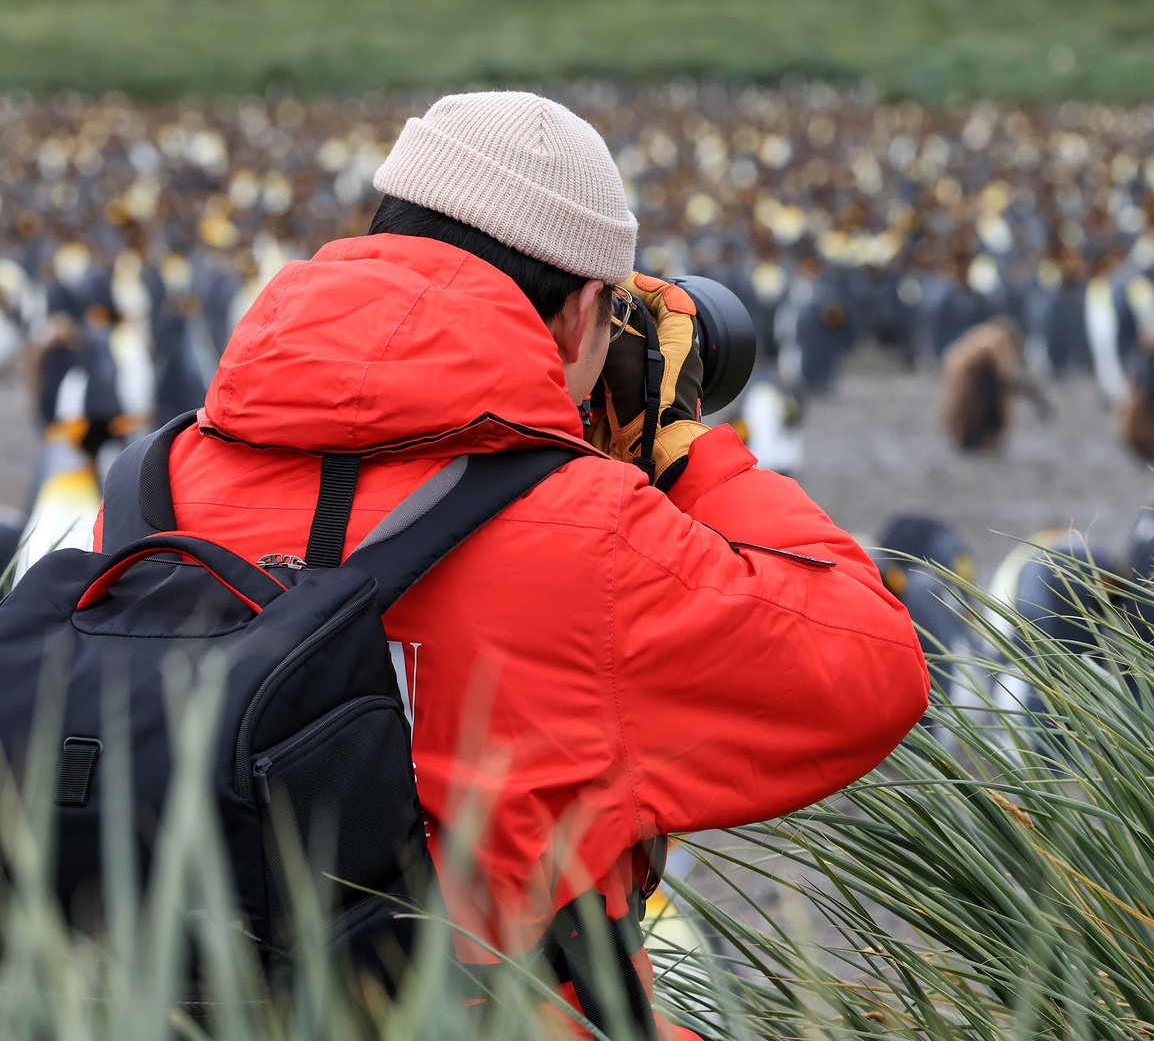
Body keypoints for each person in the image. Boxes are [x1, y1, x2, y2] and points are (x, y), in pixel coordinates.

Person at [95, 92, 930, 1033]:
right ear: (580, 316)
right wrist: (681, 447)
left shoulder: (151, 487)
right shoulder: (587, 535)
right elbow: (872, 668)